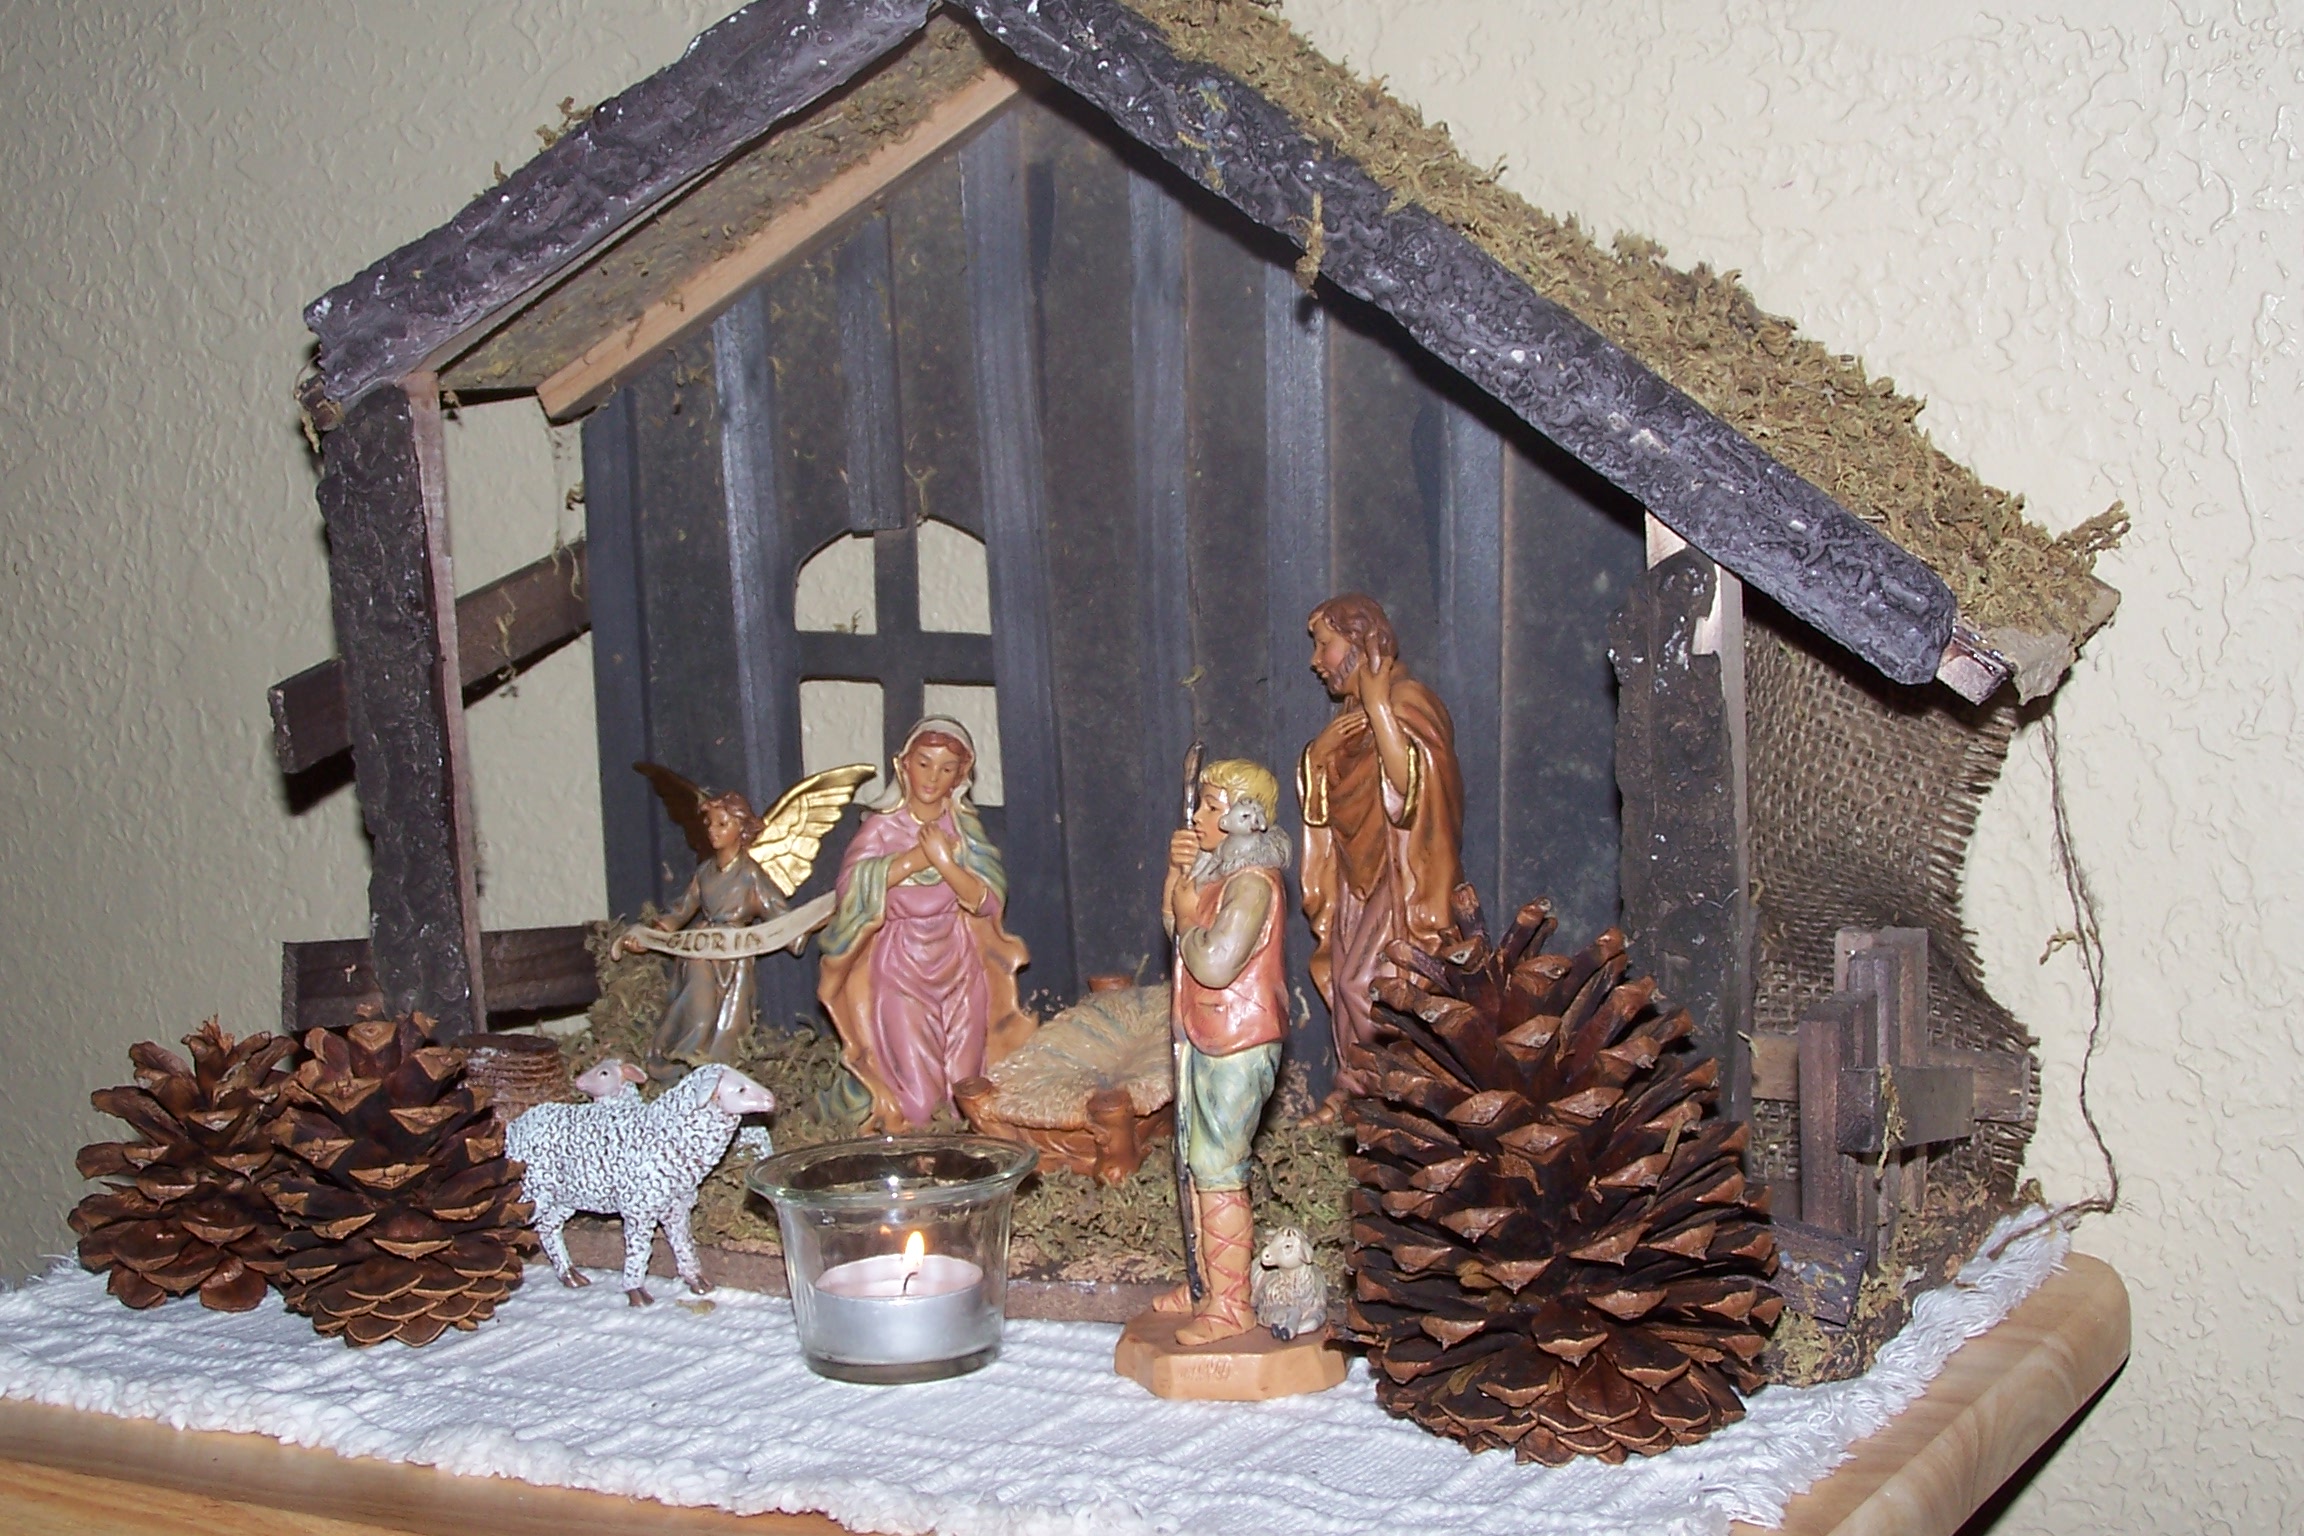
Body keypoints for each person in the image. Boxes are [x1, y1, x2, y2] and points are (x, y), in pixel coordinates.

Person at [816, 718, 1034, 1132]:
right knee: (919, 1101)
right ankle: (917, 1157)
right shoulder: (882, 828)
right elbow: (850, 891)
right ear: (903, 766)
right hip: (902, 968)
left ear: (960, 777)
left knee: (965, 1089)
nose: (933, 777)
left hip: (959, 965)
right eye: (924, 763)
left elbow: (988, 900)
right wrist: (914, 861)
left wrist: (946, 863)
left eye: (946, 768)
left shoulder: (964, 832)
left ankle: (962, 1161)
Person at [1298, 593, 1464, 1114]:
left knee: (1364, 985)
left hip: (1403, 874)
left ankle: (1392, 1094)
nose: (1316, 661)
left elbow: (1415, 787)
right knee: (1346, 979)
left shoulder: (1409, 700)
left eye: (1324, 644)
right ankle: (1356, 1087)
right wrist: (1317, 757)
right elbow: (1327, 808)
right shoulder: (1349, 717)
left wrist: (1378, 707)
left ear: (1360, 639)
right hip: (1356, 874)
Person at [1152, 758, 1290, 1346]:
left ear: (1245, 817)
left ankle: (1231, 1304)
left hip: (1238, 1040)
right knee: (1194, 1157)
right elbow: (1176, 932)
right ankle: (1208, 1283)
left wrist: (1188, 921)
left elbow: (1211, 962)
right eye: (1201, 803)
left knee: (1218, 1166)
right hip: (1204, 1033)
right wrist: (1175, 877)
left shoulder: (1252, 884)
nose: (1199, 817)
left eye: (1212, 807)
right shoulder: (1218, 873)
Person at [615, 791, 787, 1068]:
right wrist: (651, 937)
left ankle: (713, 1071)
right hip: (700, 952)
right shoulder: (705, 872)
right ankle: (680, 1064)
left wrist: (805, 926)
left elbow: (778, 913)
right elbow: (681, 910)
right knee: (700, 1013)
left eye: (722, 824)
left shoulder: (749, 873)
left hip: (733, 956)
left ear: (741, 828)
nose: (712, 831)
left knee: (729, 1027)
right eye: (709, 824)